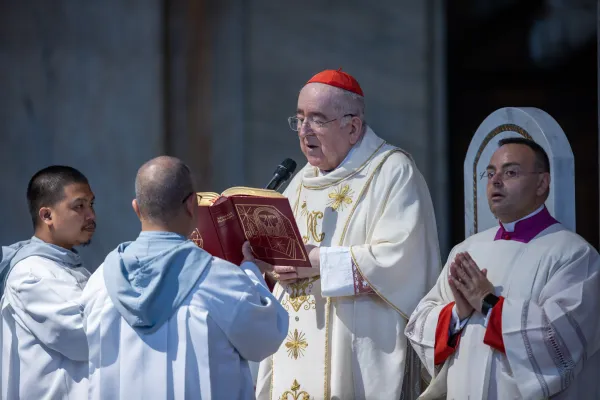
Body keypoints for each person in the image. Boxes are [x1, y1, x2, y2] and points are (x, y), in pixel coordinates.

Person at [255, 69, 441, 400]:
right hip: (295, 351)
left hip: (356, 353)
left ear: (353, 127)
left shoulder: (392, 173)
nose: (304, 131)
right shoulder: (298, 183)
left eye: (317, 120)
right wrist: (271, 267)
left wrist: (318, 262)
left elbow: (400, 260)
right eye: (299, 120)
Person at [405, 137, 600, 399]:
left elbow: (561, 344)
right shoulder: (467, 250)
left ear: (542, 183)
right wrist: (456, 315)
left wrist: (488, 304)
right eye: (490, 173)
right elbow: (420, 323)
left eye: (510, 172)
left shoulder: (574, 255)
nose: (496, 180)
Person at [82, 156, 288, 399]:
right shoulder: (219, 279)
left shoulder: (98, 282)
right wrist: (251, 272)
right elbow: (266, 337)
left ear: (137, 208)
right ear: (192, 205)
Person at [0, 165, 96, 399]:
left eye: (91, 204)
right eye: (79, 206)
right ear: (46, 215)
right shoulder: (31, 273)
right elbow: (84, 339)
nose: (91, 215)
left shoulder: (71, 266)